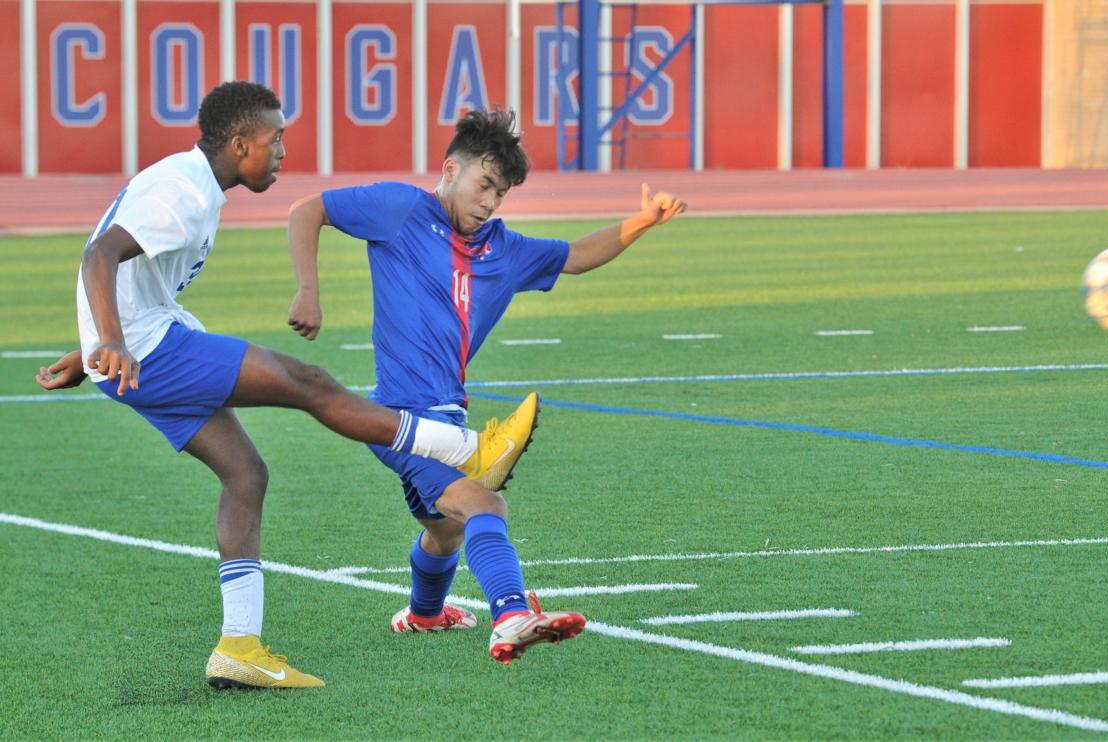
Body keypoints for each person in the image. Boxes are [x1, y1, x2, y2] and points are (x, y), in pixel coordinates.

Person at [33, 82, 532, 688]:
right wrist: (105, 340)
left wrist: (91, 351)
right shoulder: (184, 192)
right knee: (308, 381)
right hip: (148, 350)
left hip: (137, 348)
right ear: (240, 144)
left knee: (246, 474)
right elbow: (100, 256)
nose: (283, 153)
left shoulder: (197, 187)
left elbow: (138, 277)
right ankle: (463, 450)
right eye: (276, 141)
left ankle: (239, 648)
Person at [285, 108, 686, 664]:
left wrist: (642, 222)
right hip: (397, 418)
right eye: (485, 185)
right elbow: (309, 209)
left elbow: (576, 256)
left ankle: (425, 614)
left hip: (447, 417)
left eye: (501, 193)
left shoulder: (504, 249)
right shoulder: (401, 209)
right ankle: (511, 614)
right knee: (484, 506)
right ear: (451, 169)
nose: (490, 202)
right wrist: (309, 289)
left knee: (444, 531)